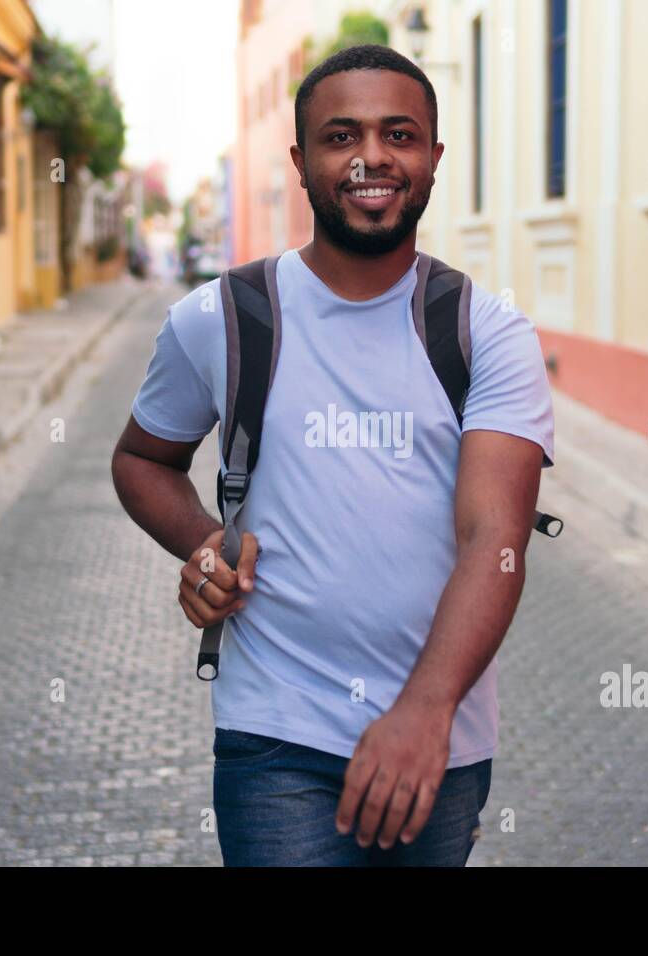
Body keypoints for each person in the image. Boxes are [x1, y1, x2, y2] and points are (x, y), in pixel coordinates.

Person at [111, 44, 555, 866]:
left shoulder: (486, 334)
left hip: (442, 738)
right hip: (275, 729)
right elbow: (143, 459)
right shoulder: (223, 318)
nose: (372, 157)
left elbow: (495, 541)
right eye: (341, 136)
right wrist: (206, 545)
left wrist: (426, 713)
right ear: (302, 163)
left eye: (400, 134)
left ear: (432, 159)